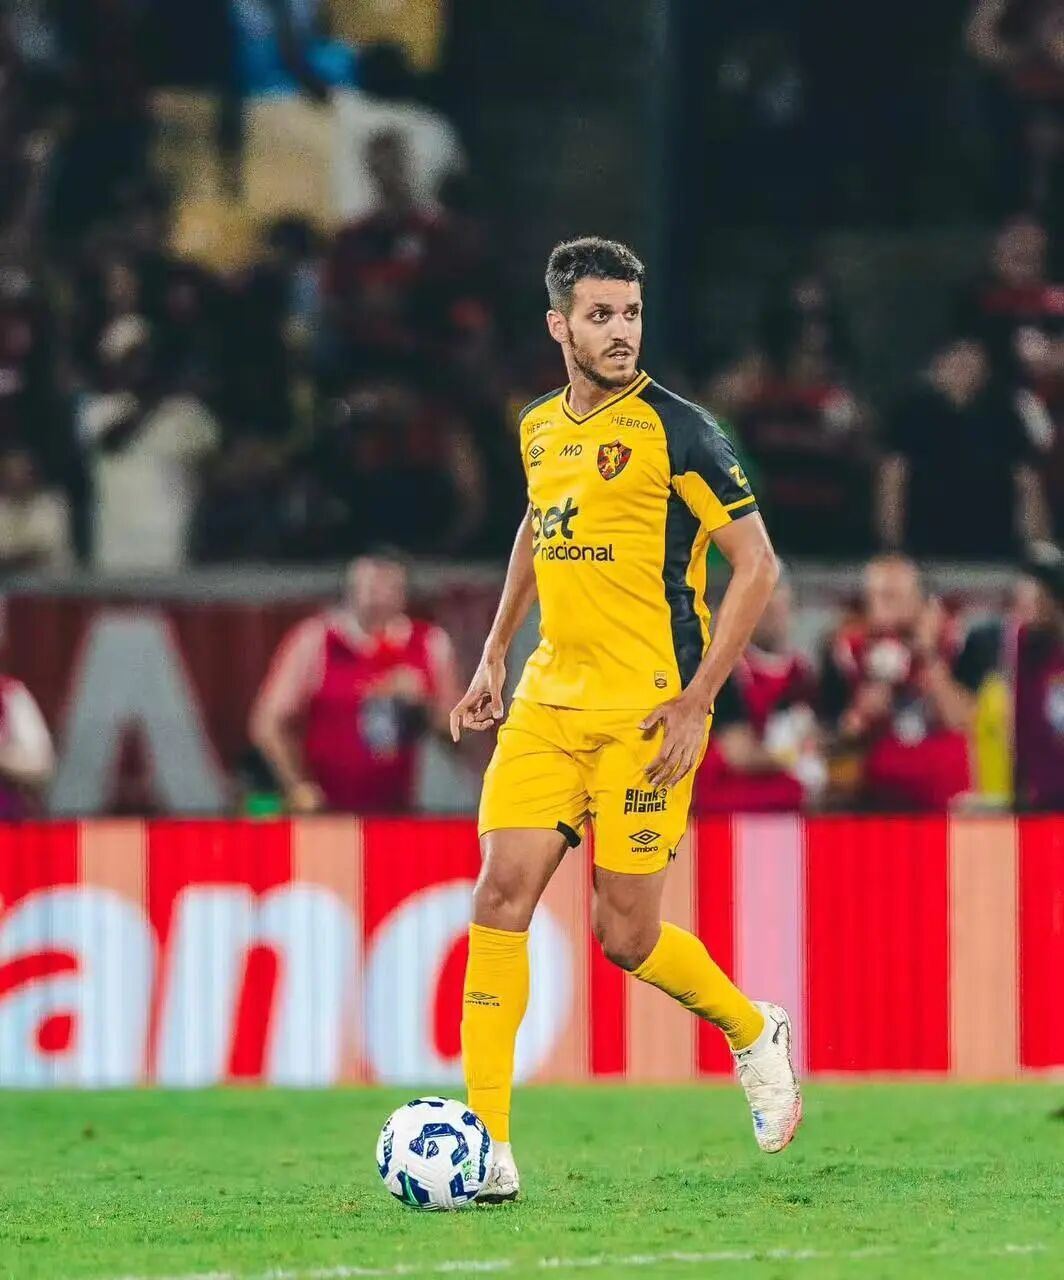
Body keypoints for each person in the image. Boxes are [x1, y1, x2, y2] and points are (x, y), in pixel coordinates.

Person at [449, 238, 800, 1203]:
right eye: (600, 315)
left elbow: (758, 564)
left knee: (626, 936)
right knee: (499, 896)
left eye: (631, 314)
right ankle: (489, 1147)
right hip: (546, 705)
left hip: (646, 717)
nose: (620, 332)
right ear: (558, 326)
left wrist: (698, 698)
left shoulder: (681, 432)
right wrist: (494, 650)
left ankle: (751, 1028)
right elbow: (539, 522)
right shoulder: (537, 427)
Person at [249, 551, 460, 814]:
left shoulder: (429, 643)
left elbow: (459, 734)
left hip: (402, 810)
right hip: (327, 811)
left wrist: (422, 704)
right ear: (350, 590)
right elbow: (267, 724)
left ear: (404, 594)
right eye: (369, 586)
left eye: (387, 587)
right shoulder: (316, 640)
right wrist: (299, 787)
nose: (376, 597)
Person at [821, 555, 974, 810]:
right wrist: (862, 712)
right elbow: (836, 735)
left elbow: (963, 722)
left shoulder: (955, 643)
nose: (878, 605)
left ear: (920, 602)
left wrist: (927, 654)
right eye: (873, 596)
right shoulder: (847, 650)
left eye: (890, 596)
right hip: (880, 790)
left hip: (942, 787)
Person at [878, 336, 1050, 559]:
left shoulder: (1005, 416)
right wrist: (892, 545)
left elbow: (1027, 482)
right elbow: (893, 478)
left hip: (994, 545)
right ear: (938, 365)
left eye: (972, 361)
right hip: (926, 547)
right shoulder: (910, 414)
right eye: (956, 360)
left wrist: (1038, 545)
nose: (964, 369)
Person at [694, 574, 824, 813]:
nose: (773, 618)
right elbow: (737, 753)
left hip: (782, 797)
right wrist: (795, 758)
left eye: (779, 608)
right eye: (765, 609)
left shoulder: (802, 672)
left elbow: (813, 735)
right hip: (727, 799)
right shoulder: (727, 669)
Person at [0, 447, 72, 573]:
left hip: (51, 579)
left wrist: (14, 556)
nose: (15, 477)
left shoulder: (52, 505)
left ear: (31, 474)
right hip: (7, 580)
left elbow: (46, 549)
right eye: (10, 472)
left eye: (20, 471)